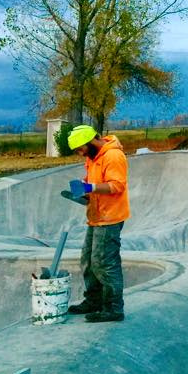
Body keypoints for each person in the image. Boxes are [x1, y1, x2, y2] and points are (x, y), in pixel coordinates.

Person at [65, 125, 129, 323]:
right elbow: (92, 181)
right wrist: (84, 190)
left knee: (104, 263)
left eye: (80, 149)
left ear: (89, 141)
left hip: (110, 217)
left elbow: (117, 185)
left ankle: (113, 308)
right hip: (95, 215)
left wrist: (91, 187)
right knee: (88, 261)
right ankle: (94, 300)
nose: (79, 153)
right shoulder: (92, 158)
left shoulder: (113, 156)